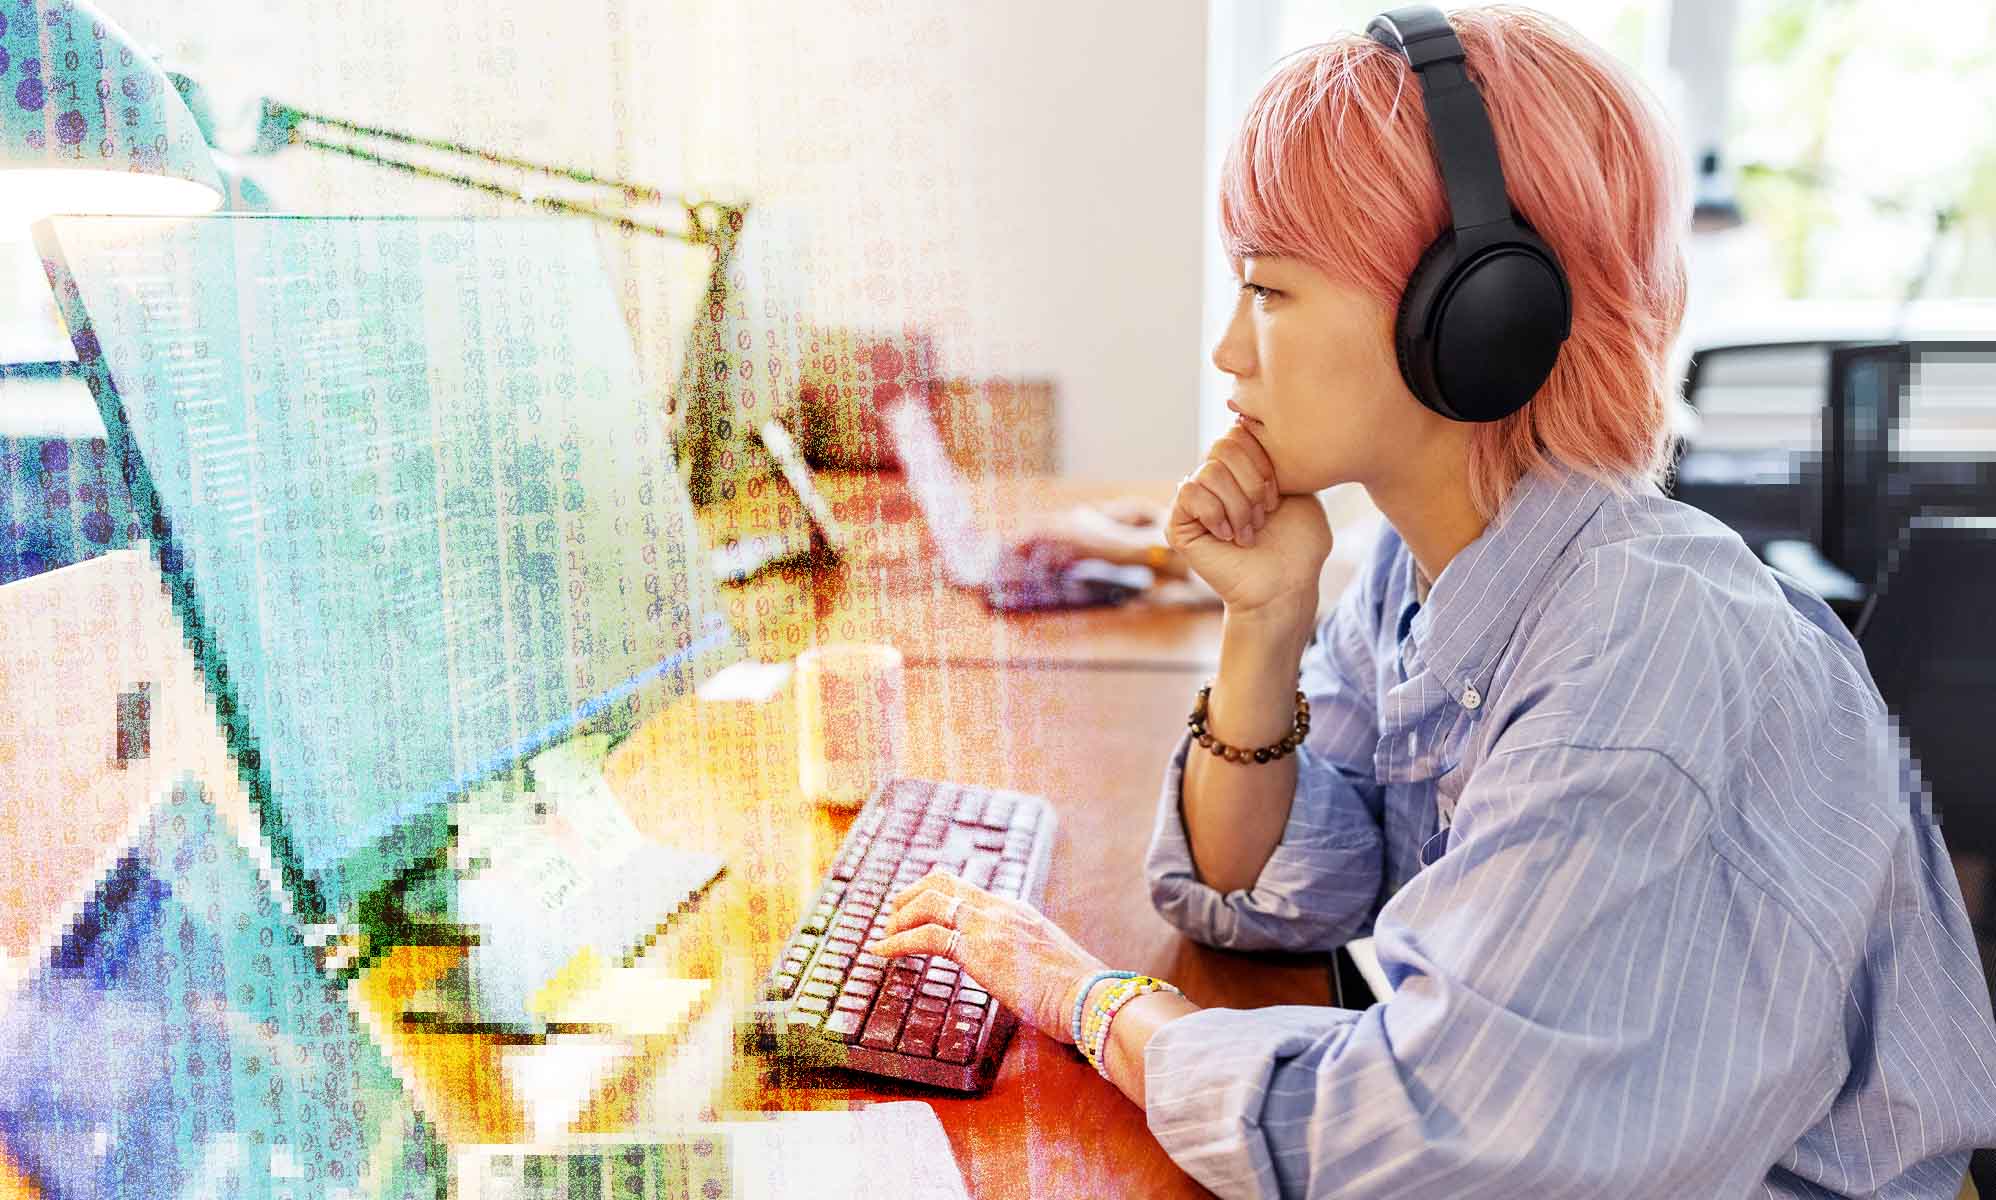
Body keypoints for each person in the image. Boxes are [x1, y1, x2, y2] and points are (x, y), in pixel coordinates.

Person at [869, 5, 1996, 1197]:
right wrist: (1267, 619)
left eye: (1270, 291)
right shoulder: (1430, 567)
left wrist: (1084, 998)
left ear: (1473, 315)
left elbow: (1404, 1143)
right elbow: (1263, 894)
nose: (1228, 353)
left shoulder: (1645, 664)